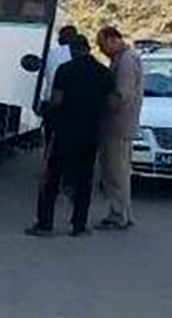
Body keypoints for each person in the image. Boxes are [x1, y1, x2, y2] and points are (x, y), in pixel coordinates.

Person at [27, 35, 114, 237]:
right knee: (84, 180)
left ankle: (45, 224)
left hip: (64, 131)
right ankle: (79, 226)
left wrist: (46, 112)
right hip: (91, 133)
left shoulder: (65, 70)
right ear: (88, 48)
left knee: (51, 179)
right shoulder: (103, 72)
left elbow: (57, 99)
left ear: (72, 50)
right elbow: (112, 103)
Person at [96, 26, 144, 230]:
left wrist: (102, 104)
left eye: (102, 44)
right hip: (121, 124)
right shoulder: (125, 58)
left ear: (112, 39)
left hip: (118, 125)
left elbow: (122, 94)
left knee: (115, 171)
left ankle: (118, 215)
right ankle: (124, 212)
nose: (101, 50)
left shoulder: (125, 61)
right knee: (120, 171)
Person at [40, 25, 78, 146]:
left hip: (52, 104)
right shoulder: (78, 55)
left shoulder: (50, 54)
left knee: (50, 141)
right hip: (72, 106)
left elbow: (45, 76)